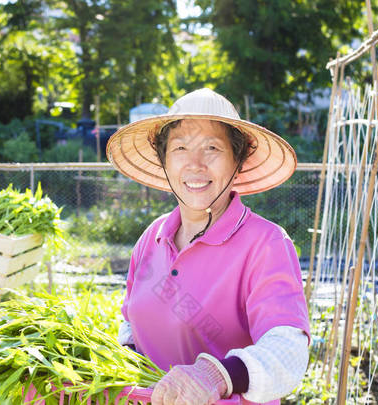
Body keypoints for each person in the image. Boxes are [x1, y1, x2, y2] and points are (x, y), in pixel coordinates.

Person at [106, 88, 310, 405]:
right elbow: (131, 321)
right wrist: (119, 359)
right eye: (181, 148)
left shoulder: (265, 243)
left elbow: (288, 350)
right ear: (163, 160)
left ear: (237, 161)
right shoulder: (152, 237)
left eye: (212, 148)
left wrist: (216, 375)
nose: (195, 164)